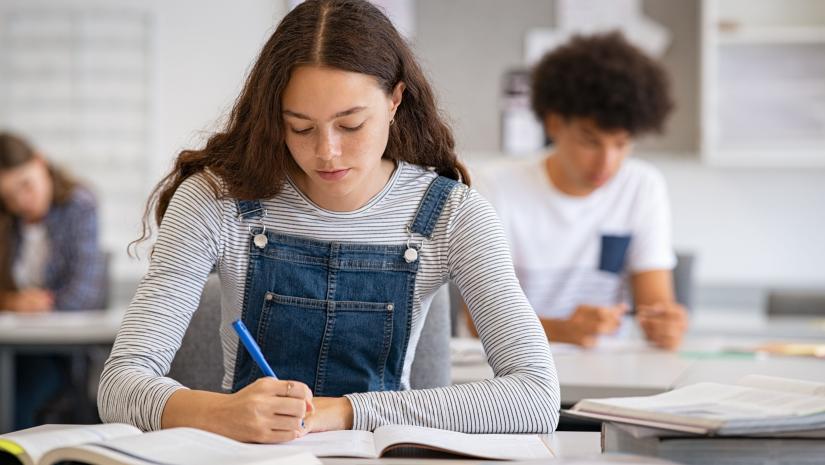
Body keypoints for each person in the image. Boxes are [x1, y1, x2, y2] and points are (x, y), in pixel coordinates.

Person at [98, 0, 559, 443]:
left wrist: (345, 411)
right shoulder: (215, 199)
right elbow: (119, 384)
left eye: (351, 125)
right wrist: (218, 412)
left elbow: (536, 396)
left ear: (396, 100)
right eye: (300, 127)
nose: (326, 152)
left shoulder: (454, 215)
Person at [473, 32, 688, 350]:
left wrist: (666, 325)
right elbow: (476, 321)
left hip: (608, 374)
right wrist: (562, 330)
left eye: (621, 143)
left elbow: (655, 305)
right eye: (590, 141)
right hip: (514, 372)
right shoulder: (495, 187)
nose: (607, 161)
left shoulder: (642, 186)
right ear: (554, 124)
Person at [0, 131, 106, 428]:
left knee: (20, 396)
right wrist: (12, 302)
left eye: (26, 185)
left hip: (56, 351)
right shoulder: (7, 219)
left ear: (40, 163)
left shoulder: (79, 205)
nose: (22, 201)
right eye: (8, 196)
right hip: (10, 344)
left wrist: (40, 304)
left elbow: (85, 294)